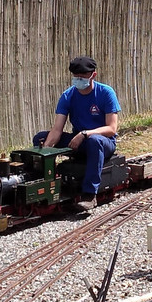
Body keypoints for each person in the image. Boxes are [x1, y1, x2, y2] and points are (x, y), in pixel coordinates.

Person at [33, 55, 120, 210]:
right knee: (40, 137)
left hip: (103, 142)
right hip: (78, 141)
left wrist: (85, 133)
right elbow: (57, 129)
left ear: (93, 75)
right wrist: (46, 150)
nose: (79, 80)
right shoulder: (68, 95)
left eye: (83, 76)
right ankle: (45, 183)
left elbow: (111, 128)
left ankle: (89, 194)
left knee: (95, 141)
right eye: (76, 76)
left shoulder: (106, 93)